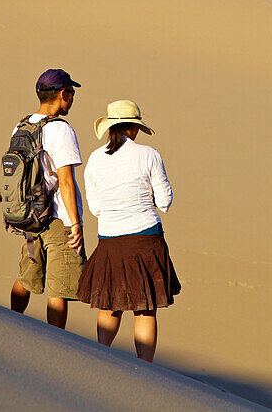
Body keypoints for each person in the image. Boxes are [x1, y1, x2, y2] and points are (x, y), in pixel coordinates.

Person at [77, 99, 179, 362]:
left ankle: (101, 357)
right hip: (145, 238)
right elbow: (165, 202)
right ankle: (145, 369)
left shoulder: (95, 159)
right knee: (145, 308)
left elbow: (96, 208)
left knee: (109, 303)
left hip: (110, 239)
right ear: (133, 128)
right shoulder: (149, 155)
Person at [8, 68, 86, 329]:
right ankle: (57, 344)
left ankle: (10, 323)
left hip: (29, 215)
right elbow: (65, 180)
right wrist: (75, 224)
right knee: (59, 288)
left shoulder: (21, 125)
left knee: (26, 276)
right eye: (71, 93)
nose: (72, 98)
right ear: (63, 94)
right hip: (56, 218)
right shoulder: (61, 130)